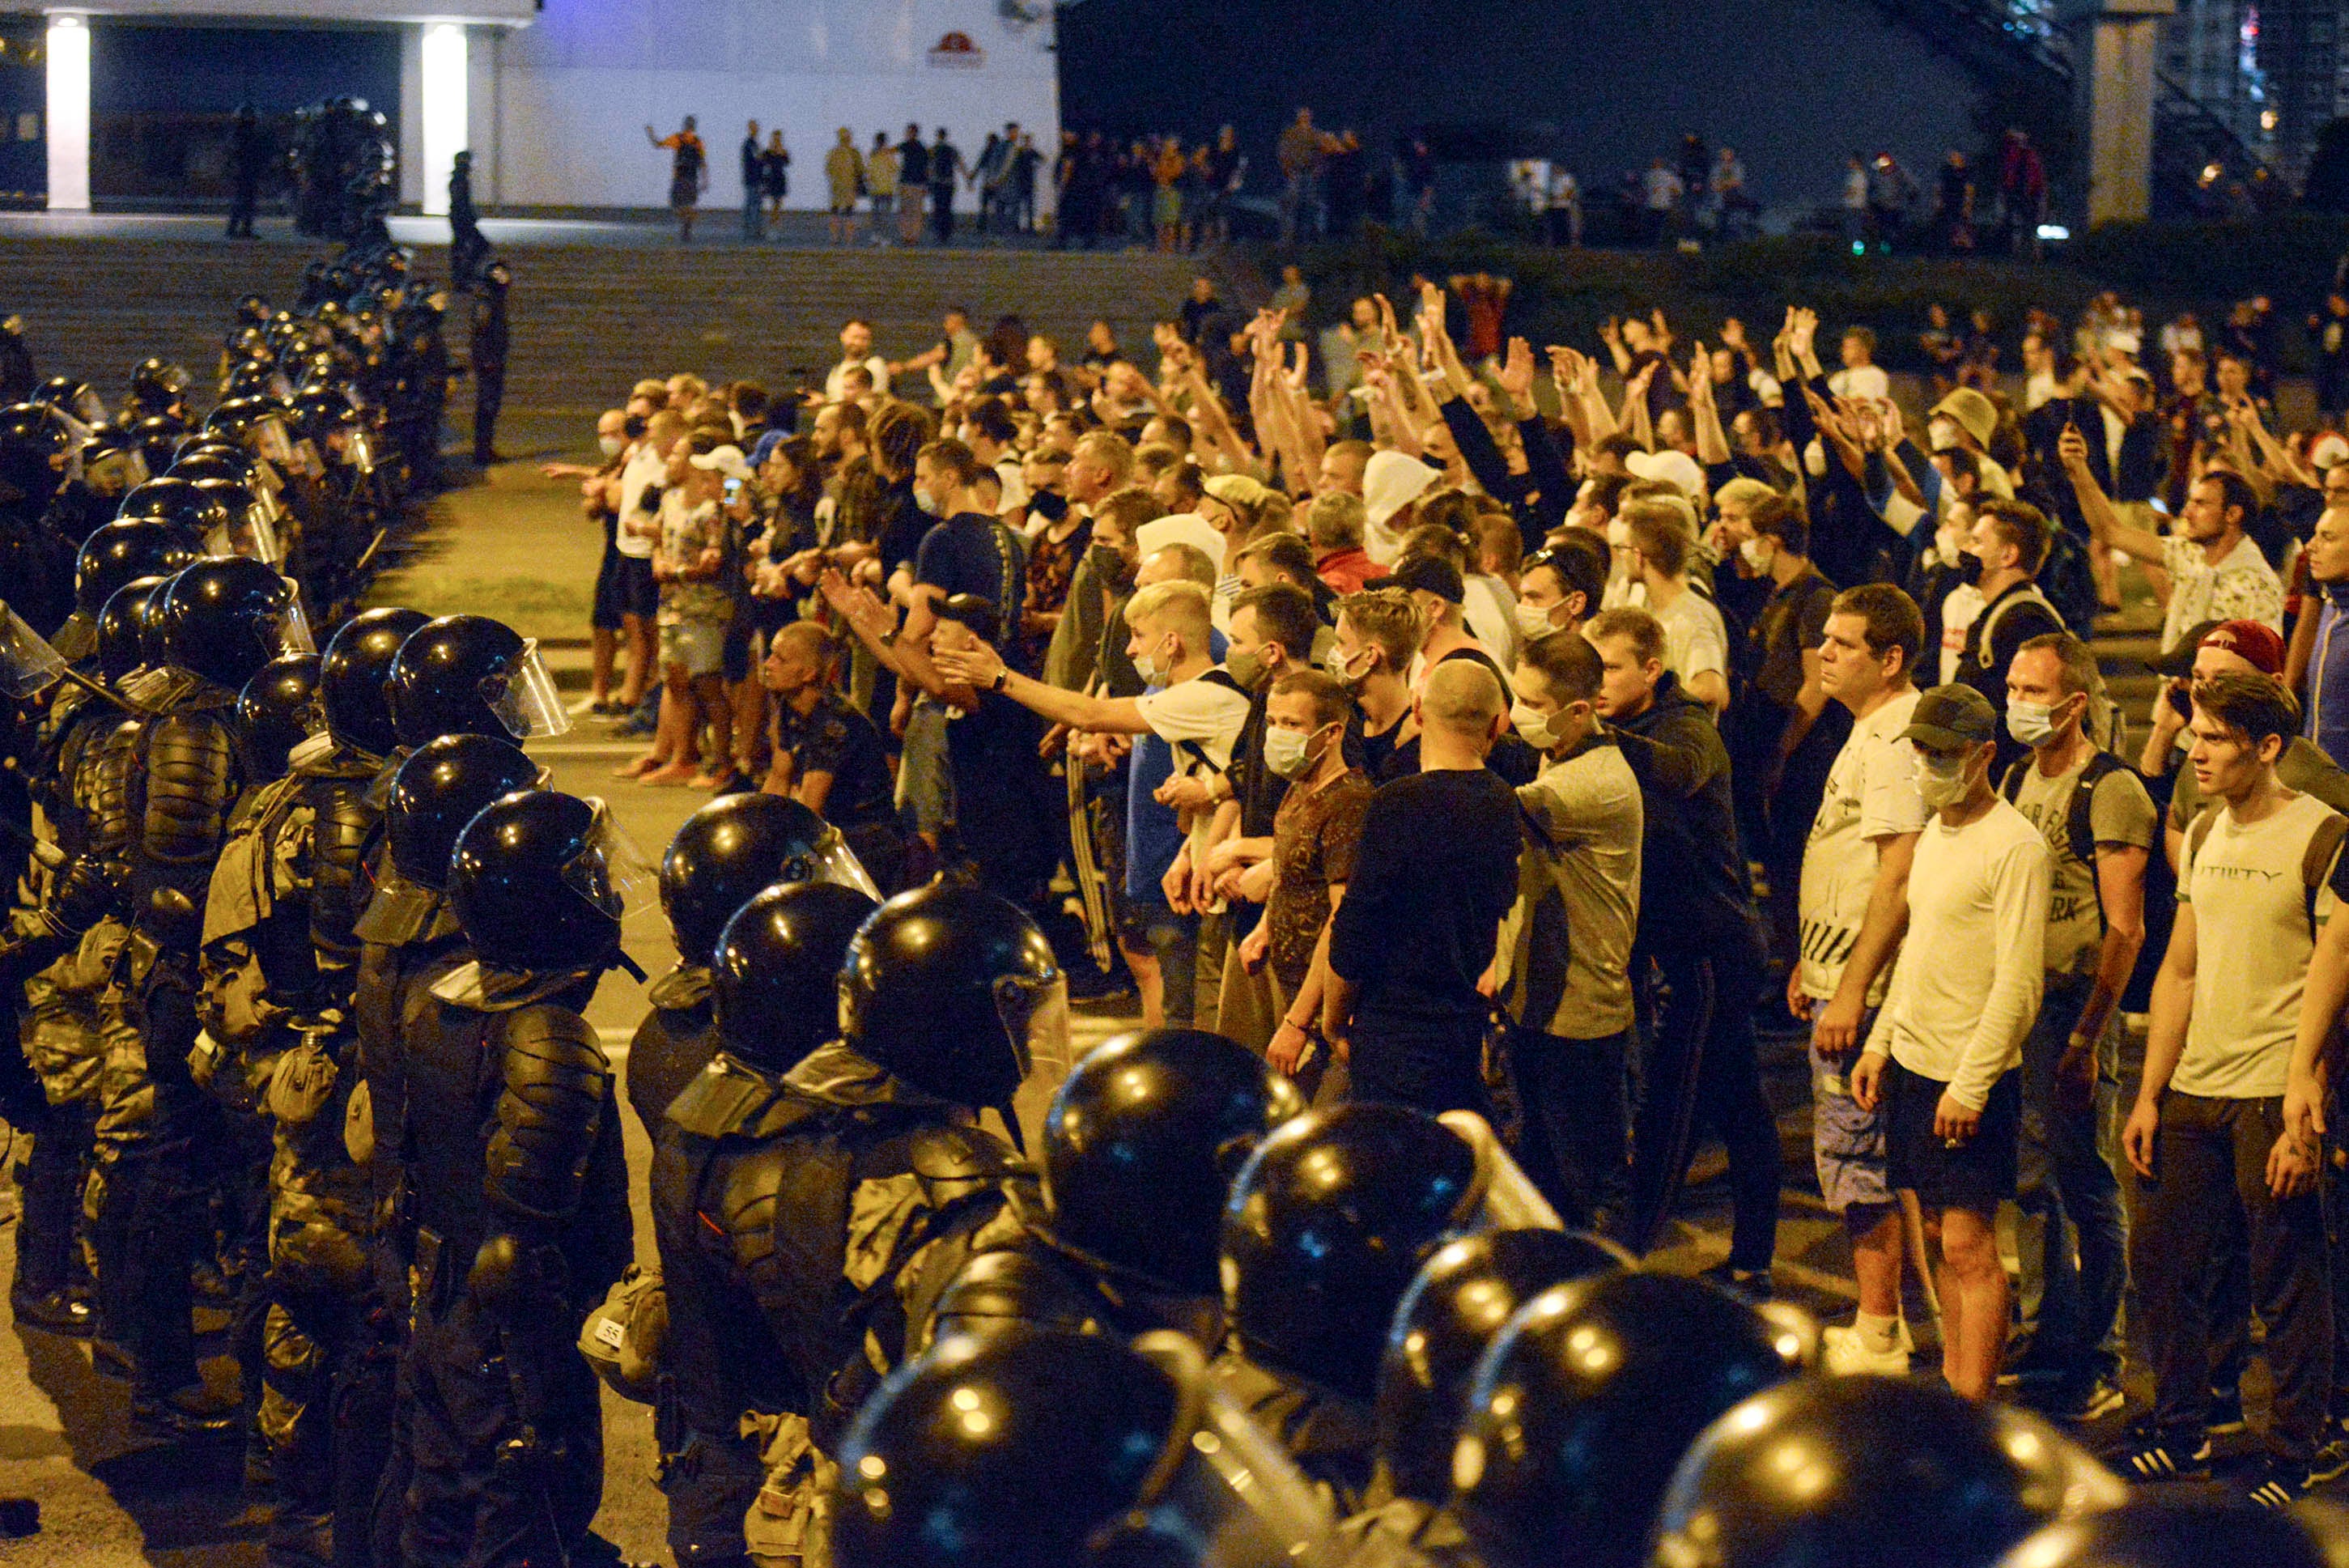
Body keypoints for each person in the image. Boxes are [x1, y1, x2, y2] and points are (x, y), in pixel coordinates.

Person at [392, 791, 635, 1567]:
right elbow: (523, 1243)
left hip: (442, 1300)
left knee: (443, 1494)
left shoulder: (447, 1003)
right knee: (526, 1500)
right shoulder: (547, 1039)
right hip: (512, 1335)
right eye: (585, 877)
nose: (604, 889)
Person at [2121, 672, 2346, 1505]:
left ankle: (2299, 1448)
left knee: (2284, 1276)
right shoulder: (2209, 829)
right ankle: (2183, 1430)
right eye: (2194, 735)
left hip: (2269, 1092)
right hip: (2196, 1086)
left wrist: (2304, 1103)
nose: (2193, 749)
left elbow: (2337, 975)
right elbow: (2179, 966)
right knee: (2161, 1256)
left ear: (2265, 747)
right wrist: (2149, 1091)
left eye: (2212, 738)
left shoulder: (2322, 836)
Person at [643, 878, 877, 1568]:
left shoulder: (700, 1096)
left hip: (709, 1435)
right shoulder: (776, 1167)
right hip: (766, 1460)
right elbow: (824, 1351)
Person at [1845, 684, 2048, 1403]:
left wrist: (1971, 1083)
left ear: (1985, 754)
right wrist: (1880, 1041)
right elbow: (1920, 950)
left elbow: (2019, 985)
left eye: (1944, 753)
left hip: (1969, 1076)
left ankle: (1977, 1408)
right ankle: (1958, 1393)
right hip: (1914, 1066)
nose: (1929, 765)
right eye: (1922, 751)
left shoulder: (2016, 845)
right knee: (1935, 1234)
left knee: (1969, 1245)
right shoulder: (1935, 831)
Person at [1589, 606, 1779, 1286]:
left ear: (1651, 668)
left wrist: (1597, 736)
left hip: (1708, 953)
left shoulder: (1685, 726)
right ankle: (1755, 1255)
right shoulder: (1632, 724)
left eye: (1610, 667)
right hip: (1684, 951)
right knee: (1739, 1103)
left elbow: (1681, 770)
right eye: (1593, 667)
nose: (1598, 681)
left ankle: (1624, 1260)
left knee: (1673, 1105)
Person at [1999, 631, 2149, 1421]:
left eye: (2034, 690)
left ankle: (2100, 1356)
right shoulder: (2017, 774)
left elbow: (2123, 929)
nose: (2019, 701)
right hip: (2023, 1006)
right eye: (2014, 686)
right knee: (2031, 1182)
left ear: (2075, 702)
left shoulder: (2109, 789)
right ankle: (2045, 1335)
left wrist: (2089, 1037)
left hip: (2072, 1010)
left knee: (2086, 1183)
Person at [1792, 584, 1931, 1376]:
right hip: (1835, 970)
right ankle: (1888, 1319)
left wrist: (1847, 989)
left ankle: (1879, 1326)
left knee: (1855, 1160)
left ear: (1890, 658)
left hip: (1862, 990)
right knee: (1863, 1157)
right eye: (1825, 639)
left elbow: (1896, 872)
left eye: (1843, 643)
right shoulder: (1867, 731)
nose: (1824, 653)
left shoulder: (1891, 742)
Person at [1323, 661, 1520, 1115]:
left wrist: (1333, 1022)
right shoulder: (1502, 801)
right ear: (1496, 724)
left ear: (1417, 710)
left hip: (1393, 1030)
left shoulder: (1398, 803)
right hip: (1461, 1023)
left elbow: (1354, 931)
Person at [1495, 629, 1641, 1230]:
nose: (1517, 715)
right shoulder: (1558, 752)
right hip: (1540, 997)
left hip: (1580, 1014)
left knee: (1590, 1183)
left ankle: (1615, 1298)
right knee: (1542, 1167)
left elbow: (1484, 813)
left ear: (1579, 710)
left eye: (1533, 705)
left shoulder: (1585, 785)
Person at [1239, 668, 1370, 1100]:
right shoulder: (1298, 788)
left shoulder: (1349, 803)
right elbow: (1290, 871)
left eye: (1292, 725)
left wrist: (1298, 1023)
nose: (1277, 734)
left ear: (1331, 733)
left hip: (1326, 1011)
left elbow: (1343, 918)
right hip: (1291, 985)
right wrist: (1264, 927)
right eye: (1274, 723)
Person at [2066, 428, 2282, 654]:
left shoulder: (2259, 584)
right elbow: (2110, 531)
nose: (2187, 513)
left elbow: (2265, 667)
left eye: (2200, 504)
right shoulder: (2188, 553)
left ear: (2232, 515)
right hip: (2175, 687)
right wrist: (2078, 468)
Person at [465, 258, 509, 467]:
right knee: (487, 405)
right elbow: (481, 333)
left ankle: (485, 448)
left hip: (493, 360)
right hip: (489, 363)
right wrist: (485, 360)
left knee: (490, 406)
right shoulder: (486, 302)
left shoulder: (493, 300)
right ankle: (481, 451)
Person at [647, 116, 707, 242]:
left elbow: (658, 144)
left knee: (675, 203)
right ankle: (687, 227)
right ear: (694, 126)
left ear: (685, 125)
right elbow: (703, 163)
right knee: (689, 205)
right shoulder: (698, 142)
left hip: (679, 178)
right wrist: (705, 180)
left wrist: (650, 133)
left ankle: (687, 226)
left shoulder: (678, 138)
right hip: (692, 178)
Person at [227, 104, 268, 239]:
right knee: (241, 201)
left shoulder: (252, 133)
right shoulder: (240, 133)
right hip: (243, 171)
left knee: (248, 202)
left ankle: (245, 229)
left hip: (249, 171)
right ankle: (233, 229)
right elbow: (235, 152)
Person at [824, 127, 863, 246]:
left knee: (836, 212)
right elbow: (860, 169)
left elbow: (828, 169)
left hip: (837, 187)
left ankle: (835, 238)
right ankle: (848, 238)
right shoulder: (854, 152)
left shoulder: (833, 152)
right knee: (849, 213)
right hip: (849, 187)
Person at [928, 125, 965, 246]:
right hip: (949, 182)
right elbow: (960, 164)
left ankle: (938, 232)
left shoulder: (933, 149)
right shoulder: (951, 149)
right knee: (948, 207)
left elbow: (929, 167)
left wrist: (926, 182)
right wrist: (968, 179)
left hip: (937, 182)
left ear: (938, 136)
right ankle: (947, 232)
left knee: (938, 207)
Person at [740, 120, 765, 242]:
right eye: (754, 128)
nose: (756, 130)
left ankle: (754, 229)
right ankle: (751, 230)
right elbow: (756, 161)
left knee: (755, 204)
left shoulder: (754, 144)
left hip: (754, 179)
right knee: (752, 204)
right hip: (752, 179)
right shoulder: (749, 144)